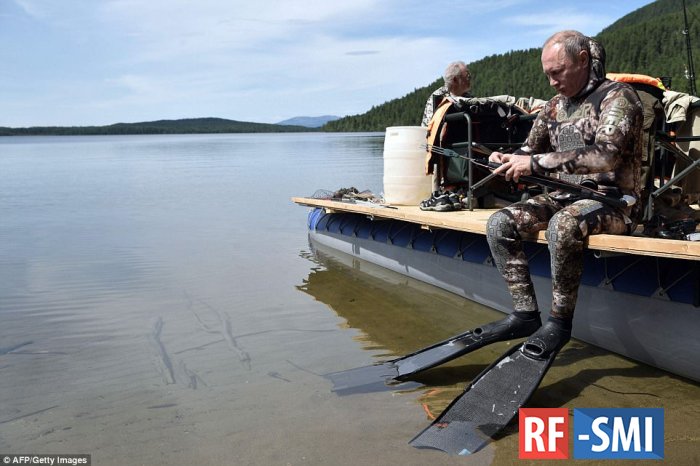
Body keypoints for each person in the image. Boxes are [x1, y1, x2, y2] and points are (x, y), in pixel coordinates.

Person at [485, 30, 644, 357]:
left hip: (613, 203)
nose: (552, 82)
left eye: (557, 73)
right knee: (500, 223)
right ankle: (525, 314)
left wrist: (534, 162)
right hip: (563, 197)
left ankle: (559, 324)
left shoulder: (618, 97)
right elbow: (529, 148)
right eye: (547, 75)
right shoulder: (555, 106)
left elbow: (605, 155)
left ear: (583, 61)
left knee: (563, 225)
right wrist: (505, 158)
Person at [421, 61, 472, 127]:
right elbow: (429, 128)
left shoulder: (468, 97)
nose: (470, 78)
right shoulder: (437, 98)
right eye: (467, 76)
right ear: (455, 80)